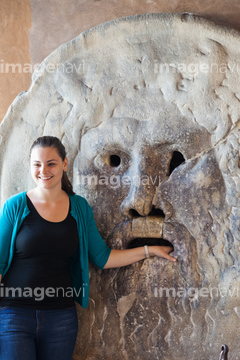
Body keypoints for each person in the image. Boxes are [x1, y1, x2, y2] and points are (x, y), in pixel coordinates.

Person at [0, 135, 176, 360]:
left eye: (51, 163)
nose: (43, 170)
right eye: (37, 164)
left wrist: (149, 250)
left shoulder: (80, 208)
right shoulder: (15, 206)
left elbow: (102, 257)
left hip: (60, 318)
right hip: (14, 314)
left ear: (64, 164)